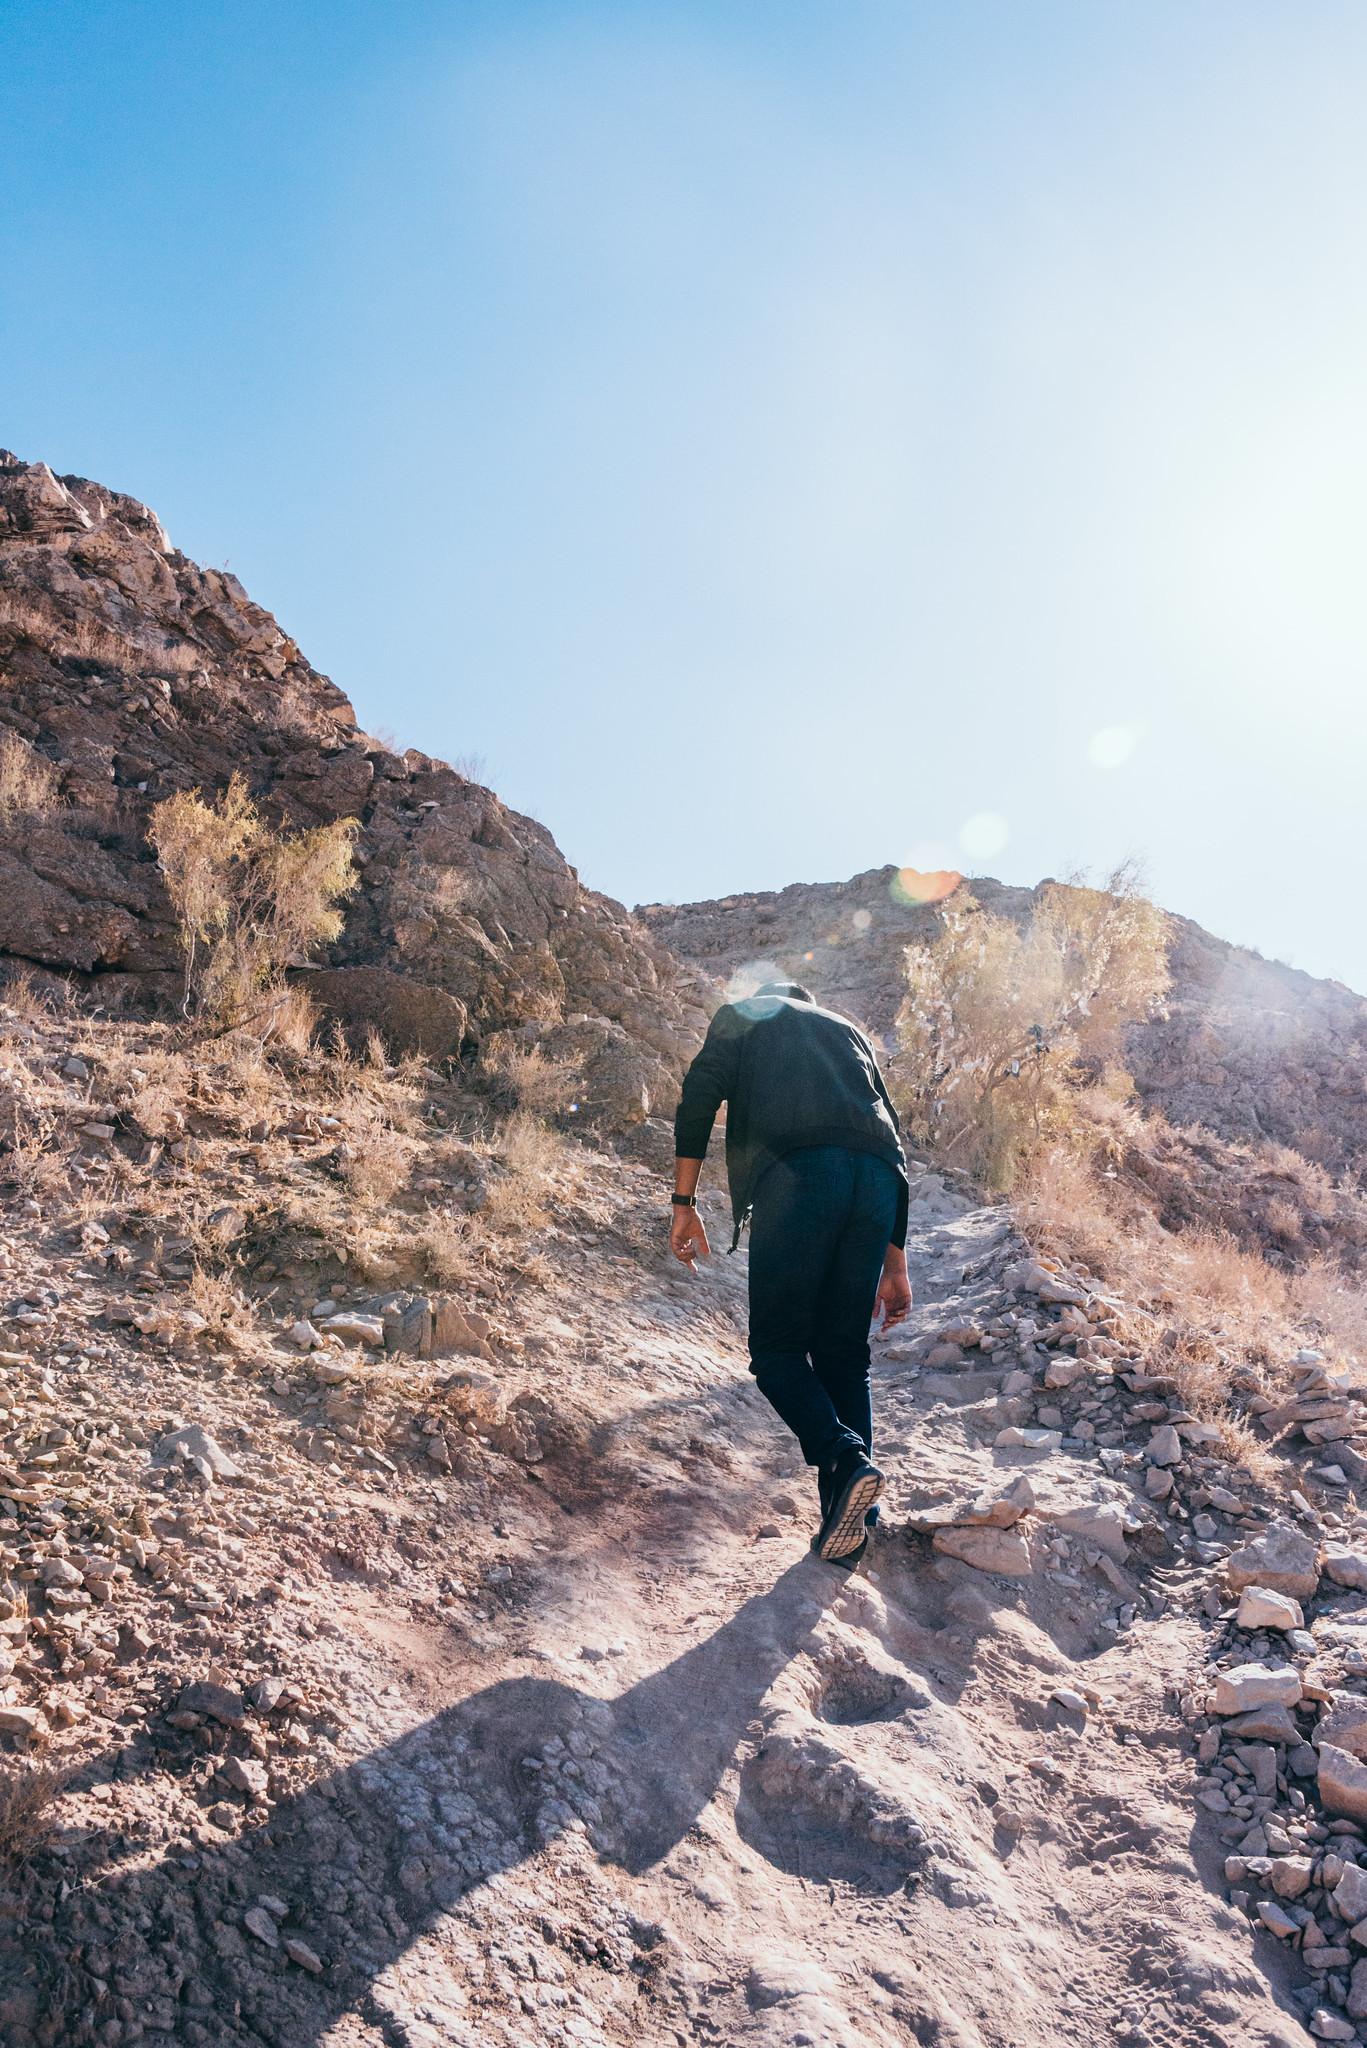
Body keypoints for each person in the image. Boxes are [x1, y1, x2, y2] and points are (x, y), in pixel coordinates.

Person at [669, 979, 913, 1564]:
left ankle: (845, 1456)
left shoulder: (744, 1016)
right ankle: (852, 1525)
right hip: (877, 1185)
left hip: (801, 1176)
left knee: (777, 1352)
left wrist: (683, 1203)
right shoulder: (848, 1030)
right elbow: (894, 1138)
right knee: (843, 1356)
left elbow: (699, 1095)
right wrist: (896, 1262)